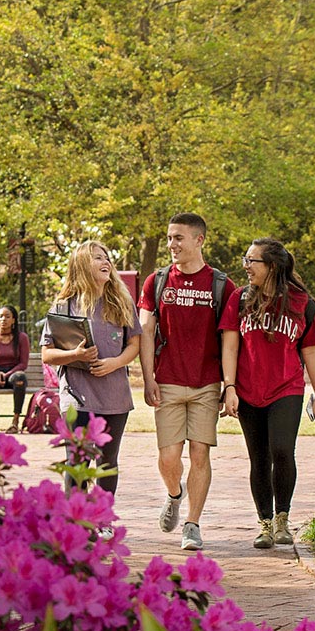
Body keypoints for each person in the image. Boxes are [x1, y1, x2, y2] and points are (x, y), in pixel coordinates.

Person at [138, 212, 240, 552]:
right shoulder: (157, 281)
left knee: (200, 453)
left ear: (199, 240)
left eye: (178, 238)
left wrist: (229, 385)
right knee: (168, 457)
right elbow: (146, 330)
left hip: (206, 383)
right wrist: (148, 376)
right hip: (166, 380)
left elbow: (229, 339)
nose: (171, 244)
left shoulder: (223, 286)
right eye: (169, 238)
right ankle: (173, 493)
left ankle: (193, 524)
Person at [220, 237, 315, 550]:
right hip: (248, 391)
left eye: (253, 261)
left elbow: (311, 352)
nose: (247, 267)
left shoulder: (301, 303)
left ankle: (282, 519)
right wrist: (230, 387)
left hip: (286, 388)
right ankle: (264, 524)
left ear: (273, 266)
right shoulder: (240, 299)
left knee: (281, 449)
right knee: (259, 458)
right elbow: (230, 345)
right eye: (246, 260)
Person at [41, 242, 143, 511]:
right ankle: (74, 522)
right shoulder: (64, 305)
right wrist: (75, 355)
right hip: (77, 399)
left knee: (107, 464)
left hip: (115, 398)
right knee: (77, 464)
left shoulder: (122, 301)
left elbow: (134, 343)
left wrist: (115, 363)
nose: (105, 261)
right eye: (97, 257)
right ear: (81, 266)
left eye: (106, 257)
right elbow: (47, 355)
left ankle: (101, 519)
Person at [0, 305, 32, 433]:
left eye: (7, 317)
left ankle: (15, 422)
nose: (4, 319)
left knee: (20, 378)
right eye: (1, 316)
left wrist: (7, 374)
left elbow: (23, 364)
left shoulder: (22, 338)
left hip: (13, 373)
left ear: (13, 320)